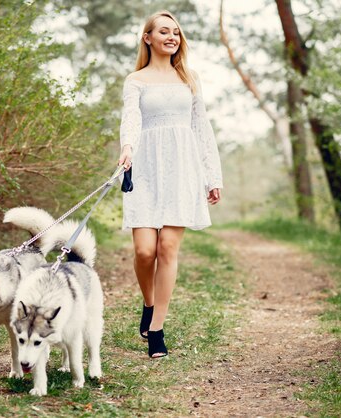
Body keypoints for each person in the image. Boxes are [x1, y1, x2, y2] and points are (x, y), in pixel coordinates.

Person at [117, 10, 223, 358]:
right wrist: (127, 148)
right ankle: (148, 303)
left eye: (176, 32)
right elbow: (131, 118)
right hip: (145, 167)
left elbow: (201, 127)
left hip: (182, 168)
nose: (171, 37)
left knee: (168, 249)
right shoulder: (136, 80)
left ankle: (158, 328)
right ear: (147, 37)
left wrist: (212, 175)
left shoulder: (189, 79)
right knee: (145, 250)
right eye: (164, 31)